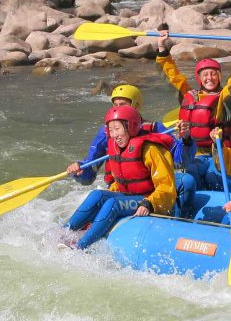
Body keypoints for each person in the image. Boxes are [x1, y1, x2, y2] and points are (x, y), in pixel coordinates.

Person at [66, 84, 196, 218]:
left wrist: (186, 139)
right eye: (115, 105)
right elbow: (89, 174)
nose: (117, 109)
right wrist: (79, 171)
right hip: (119, 189)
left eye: (122, 104)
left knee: (187, 181)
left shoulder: (154, 128)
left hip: (149, 188)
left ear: (136, 105)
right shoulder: (107, 132)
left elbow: (181, 161)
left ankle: (180, 218)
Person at [64, 105, 177, 249]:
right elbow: (122, 182)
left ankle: (80, 246)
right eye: (110, 130)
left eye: (117, 129)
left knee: (113, 204)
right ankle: (64, 232)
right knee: (97, 195)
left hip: (150, 200)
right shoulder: (116, 148)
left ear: (131, 127)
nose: (114, 135)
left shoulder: (151, 149)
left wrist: (149, 203)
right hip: (129, 196)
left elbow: (166, 186)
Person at [156, 29, 231, 189]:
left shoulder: (226, 98)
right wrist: (162, 49)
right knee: (189, 177)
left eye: (214, 74)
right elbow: (172, 77)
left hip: (219, 154)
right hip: (193, 154)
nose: (210, 78)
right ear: (199, 78)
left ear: (219, 77)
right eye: (205, 75)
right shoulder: (189, 95)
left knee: (212, 177)